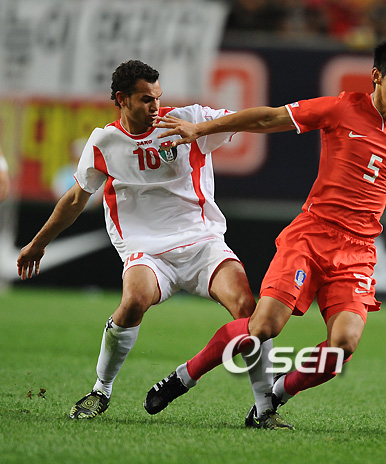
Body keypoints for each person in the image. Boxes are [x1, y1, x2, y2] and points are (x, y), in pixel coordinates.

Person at [143, 36, 386, 430]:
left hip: (357, 253)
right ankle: (184, 376)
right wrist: (200, 128)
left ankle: (275, 395)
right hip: (311, 236)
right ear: (377, 76)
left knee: (342, 347)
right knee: (263, 327)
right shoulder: (342, 108)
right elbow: (268, 118)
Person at [16, 60, 277, 423]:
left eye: (158, 97)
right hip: (147, 250)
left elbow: (254, 120)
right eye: (145, 99)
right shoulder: (104, 142)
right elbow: (76, 199)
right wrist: (38, 243)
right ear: (121, 99)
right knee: (133, 302)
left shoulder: (186, 120)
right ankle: (101, 390)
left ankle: (264, 408)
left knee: (248, 308)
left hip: (202, 242)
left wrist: (202, 128)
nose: (155, 106)